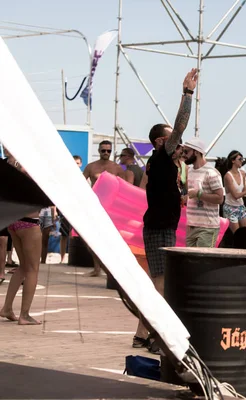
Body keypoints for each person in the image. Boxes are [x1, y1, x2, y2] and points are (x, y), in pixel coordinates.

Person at [133, 68, 197, 350]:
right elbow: (180, 126)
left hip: (160, 224)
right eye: (172, 139)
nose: (179, 142)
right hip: (159, 227)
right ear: (161, 142)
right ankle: (159, 337)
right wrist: (187, 93)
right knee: (162, 283)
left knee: (157, 281)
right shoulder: (161, 156)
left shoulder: (164, 164)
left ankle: (141, 334)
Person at [0, 158, 43, 325]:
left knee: (24, 267)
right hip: (29, 222)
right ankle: (25, 315)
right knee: (32, 269)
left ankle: (7, 308)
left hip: (15, 221)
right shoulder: (29, 165)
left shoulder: (10, 163)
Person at [83, 141, 126, 277]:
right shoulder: (91, 167)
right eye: (103, 151)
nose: (106, 153)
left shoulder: (116, 168)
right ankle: (97, 268)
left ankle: (110, 269)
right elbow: (80, 184)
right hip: (94, 207)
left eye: (108, 151)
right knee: (89, 240)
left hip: (111, 208)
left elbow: (124, 188)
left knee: (110, 240)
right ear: (99, 151)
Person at [182, 138, 224, 248]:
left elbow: (220, 198)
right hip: (191, 225)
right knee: (191, 262)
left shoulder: (211, 172)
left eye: (186, 151)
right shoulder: (189, 171)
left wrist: (198, 194)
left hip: (207, 227)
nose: (184, 154)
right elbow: (192, 195)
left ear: (196, 152)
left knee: (202, 262)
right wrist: (186, 198)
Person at [223, 150, 246, 233]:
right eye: (240, 159)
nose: (242, 161)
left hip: (240, 207)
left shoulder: (242, 173)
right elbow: (236, 195)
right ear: (233, 161)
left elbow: (244, 193)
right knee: (237, 235)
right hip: (230, 208)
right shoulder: (228, 176)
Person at [58, 155, 82, 263]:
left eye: (77, 163)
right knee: (63, 235)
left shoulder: (83, 177)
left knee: (74, 235)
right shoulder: (65, 177)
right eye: (74, 163)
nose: (75, 165)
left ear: (80, 164)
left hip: (78, 210)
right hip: (66, 209)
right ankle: (62, 258)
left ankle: (72, 258)